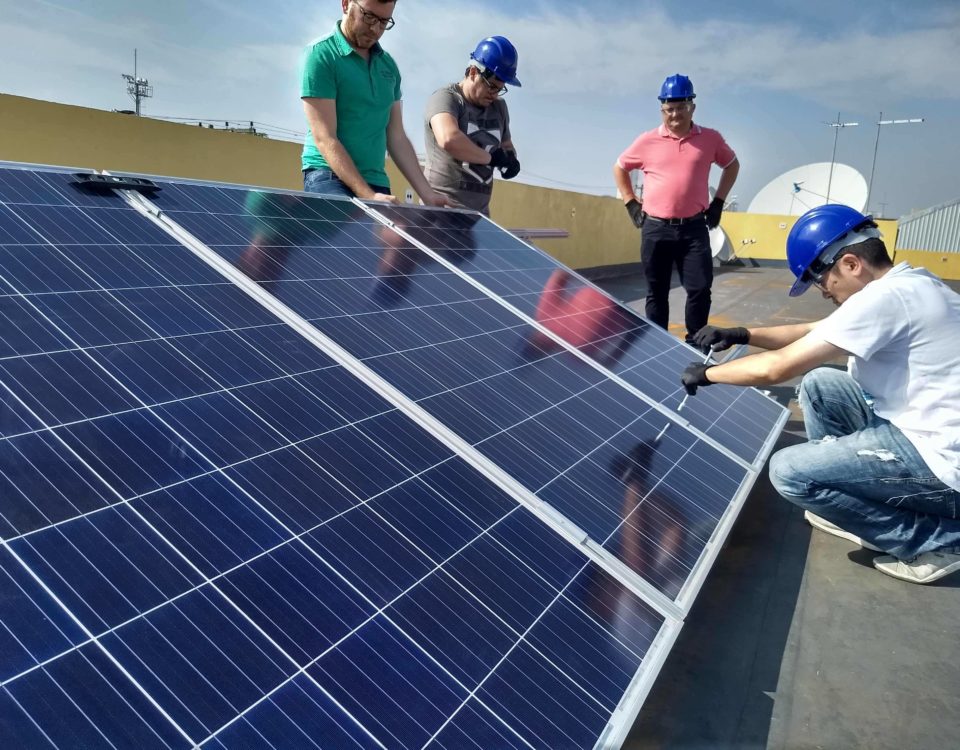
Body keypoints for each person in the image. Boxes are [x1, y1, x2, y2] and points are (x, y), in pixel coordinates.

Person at [680, 204, 960, 584]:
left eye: (820, 279)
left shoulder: (884, 300)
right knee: (820, 385)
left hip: (942, 466)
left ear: (850, 263)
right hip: (925, 427)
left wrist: (709, 374)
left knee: (790, 473)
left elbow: (777, 368)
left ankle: (937, 541)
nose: (822, 290)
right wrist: (742, 334)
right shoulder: (909, 285)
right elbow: (816, 329)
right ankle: (854, 498)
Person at [612, 74, 739, 344]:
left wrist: (718, 202)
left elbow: (732, 165)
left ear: (692, 106)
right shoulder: (647, 141)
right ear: (662, 109)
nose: (675, 114)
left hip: (694, 228)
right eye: (669, 108)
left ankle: (694, 343)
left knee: (700, 289)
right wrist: (630, 202)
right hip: (655, 228)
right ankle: (658, 344)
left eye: (681, 107)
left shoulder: (710, 139)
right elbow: (620, 167)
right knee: (656, 291)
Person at [300, 0, 447, 206]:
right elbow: (325, 138)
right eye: (368, 17)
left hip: (375, 180)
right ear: (345, 4)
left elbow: (396, 136)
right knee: (349, 234)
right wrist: (367, 195)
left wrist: (427, 193)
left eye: (384, 22)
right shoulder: (321, 55)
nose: (376, 29)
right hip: (328, 175)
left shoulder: (389, 67)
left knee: (395, 236)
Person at [423, 36, 521, 215]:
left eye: (500, 89)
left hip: (479, 216)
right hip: (441, 211)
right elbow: (449, 139)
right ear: (474, 72)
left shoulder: (499, 108)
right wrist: (491, 158)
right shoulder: (447, 99)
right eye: (491, 86)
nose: (495, 94)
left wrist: (510, 160)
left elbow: (506, 145)